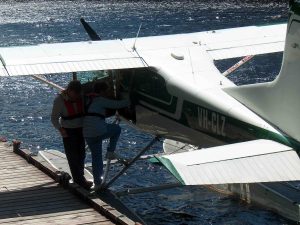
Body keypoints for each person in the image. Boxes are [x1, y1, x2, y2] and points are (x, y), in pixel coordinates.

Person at [83, 81, 129, 190]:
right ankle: (110, 152)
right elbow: (117, 105)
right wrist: (130, 100)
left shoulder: (87, 99)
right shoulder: (100, 100)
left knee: (96, 157)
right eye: (107, 91)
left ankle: (97, 182)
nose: (108, 93)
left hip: (87, 134)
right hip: (97, 131)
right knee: (117, 129)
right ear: (102, 91)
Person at [51, 80, 93, 190]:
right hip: (68, 131)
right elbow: (54, 118)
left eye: (78, 94)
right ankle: (79, 180)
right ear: (69, 91)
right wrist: (60, 129)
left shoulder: (81, 96)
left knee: (81, 155)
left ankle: (80, 178)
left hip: (80, 129)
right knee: (73, 156)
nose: (77, 97)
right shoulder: (59, 100)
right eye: (75, 94)